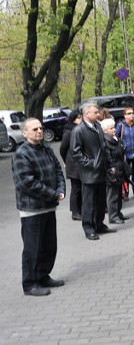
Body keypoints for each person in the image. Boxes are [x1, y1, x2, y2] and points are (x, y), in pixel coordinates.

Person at [12, 118, 66, 296]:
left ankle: (43, 276)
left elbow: (58, 170)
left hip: (49, 207)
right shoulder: (21, 154)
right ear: (24, 133)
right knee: (32, 249)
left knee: (49, 246)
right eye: (34, 129)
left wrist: (61, 189)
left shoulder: (47, 149)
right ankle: (29, 283)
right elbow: (27, 183)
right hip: (32, 209)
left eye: (41, 128)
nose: (39, 131)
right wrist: (53, 194)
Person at [71, 102, 116, 240]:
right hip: (89, 173)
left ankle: (99, 224)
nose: (98, 114)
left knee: (100, 200)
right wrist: (91, 164)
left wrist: (109, 164)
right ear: (87, 114)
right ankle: (89, 228)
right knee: (89, 202)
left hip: (101, 171)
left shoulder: (97, 126)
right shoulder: (78, 131)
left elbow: (104, 147)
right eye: (95, 112)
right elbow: (75, 152)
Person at [101, 118, 129, 224]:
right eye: (111, 128)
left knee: (118, 193)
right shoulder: (106, 142)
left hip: (119, 169)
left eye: (114, 127)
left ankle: (118, 212)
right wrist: (110, 172)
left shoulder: (115, 139)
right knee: (112, 195)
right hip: (113, 171)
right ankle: (113, 216)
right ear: (105, 130)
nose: (114, 130)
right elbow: (107, 159)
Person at [115, 106, 134, 201]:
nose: (131, 115)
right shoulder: (121, 125)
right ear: (124, 115)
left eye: (132, 113)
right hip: (125, 154)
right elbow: (116, 138)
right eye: (129, 113)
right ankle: (125, 193)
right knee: (126, 174)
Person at [59, 109, 82, 221]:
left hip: (79, 164)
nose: (81, 120)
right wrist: (65, 161)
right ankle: (75, 212)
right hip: (73, 164)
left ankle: (80, 209)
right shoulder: (69, 131)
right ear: (74, 119)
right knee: (76, 188)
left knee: (80, 188)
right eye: (79, 118)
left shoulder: (78, 129)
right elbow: (63, 148)